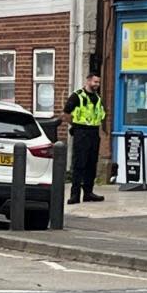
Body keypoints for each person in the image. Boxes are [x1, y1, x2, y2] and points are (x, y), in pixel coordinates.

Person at [62, 72, 106, 204]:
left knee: (91, 164)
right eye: (95, 82)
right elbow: (66, 113)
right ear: (88, 81)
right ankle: (75, 195)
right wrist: (74, 125)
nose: (97, 85)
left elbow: (101, 115)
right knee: (79, 164)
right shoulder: (77, 96)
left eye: (98, 82)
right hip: (81, 132)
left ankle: (88, 192)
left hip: (93, 132)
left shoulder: (98, 98)